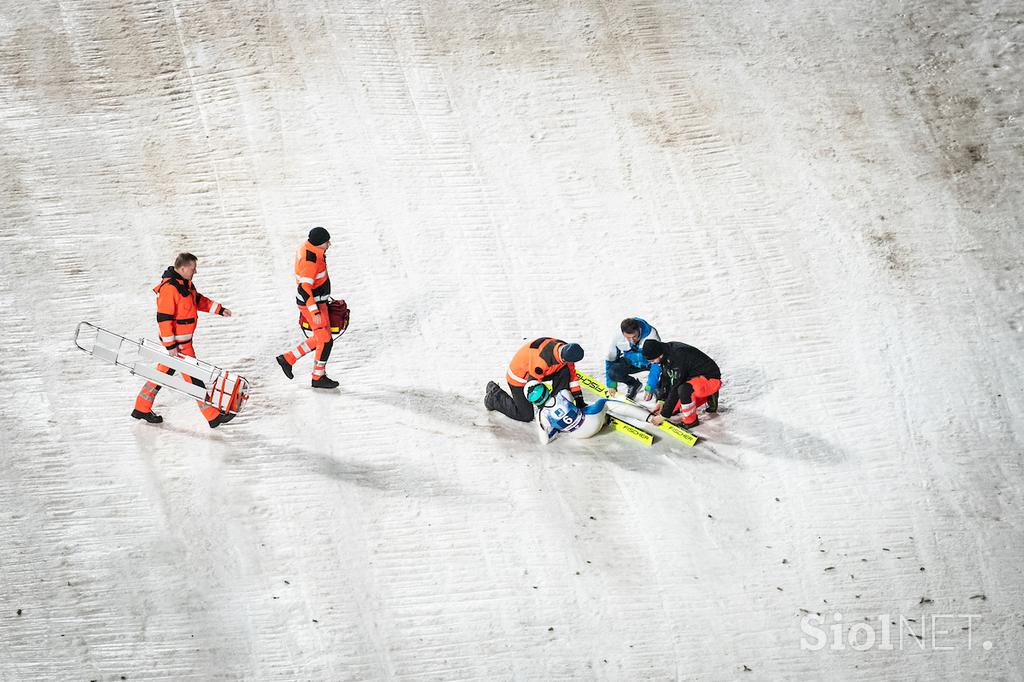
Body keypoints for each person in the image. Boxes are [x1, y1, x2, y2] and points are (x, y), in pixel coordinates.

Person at [131, 252, 235, 428]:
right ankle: (212, 416)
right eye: (193, 269)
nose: (195, 272)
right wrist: (171, 345)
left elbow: (198, 300)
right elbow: (164, 319)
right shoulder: (169, 289)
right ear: (183, 268)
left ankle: (141, 407)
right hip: (178, 347)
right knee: (195, 380)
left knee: (160, 376)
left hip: (181, 344)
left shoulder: (184, 284)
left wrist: (219, 309)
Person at [276, 227, 339, 389]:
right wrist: (314, 311)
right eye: (326, 242)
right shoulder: (310, 261)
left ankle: (288, 358)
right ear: (318, 244)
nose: (329, 244)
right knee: (325, 341)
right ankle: (318, 377)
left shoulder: (310, 249)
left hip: (319, 303)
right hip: (313, 305)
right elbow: (304, 289)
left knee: (321, 338)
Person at [484, 337, 586, 422]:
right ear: (564, 358)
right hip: (520, 378)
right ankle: (494, 397)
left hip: (542, 372)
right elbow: (532, 388)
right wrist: (545, 407)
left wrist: (579, 399)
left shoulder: (566, 349)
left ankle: (558, 400)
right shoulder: (541, 360)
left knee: (565, 371)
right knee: (525, 415)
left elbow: (572, 378)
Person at [641, 339, 721, 428]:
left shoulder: (677, 356)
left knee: (684, 390)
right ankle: (705, 396)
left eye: (653, 360)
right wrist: (662, 401)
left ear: (659, 354)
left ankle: (691, 421)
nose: (653, 363)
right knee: (674, 408)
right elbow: (667, 378)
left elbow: (676, 386)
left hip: (710, 379)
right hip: (691, 377)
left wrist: (663, 415)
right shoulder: (665, 353)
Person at [605, 317, 662, 401]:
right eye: (628, 337)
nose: (632, 340)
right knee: (613, 372)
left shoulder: (652, 335)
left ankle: (658, 387)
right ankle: (633, 384)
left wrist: (650, 387)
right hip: (631, 363)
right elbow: (610, 361)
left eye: (634, 336)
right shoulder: (617, 337)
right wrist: (611, 385)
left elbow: (656, 364)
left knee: (666, 368)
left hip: (650, 362)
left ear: (639, 329)